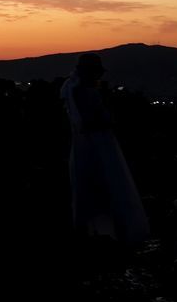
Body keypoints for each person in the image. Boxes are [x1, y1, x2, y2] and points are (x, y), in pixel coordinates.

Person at [60, 52, 149, 244]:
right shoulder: (86, 92)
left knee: (88, 181)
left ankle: (95, 229)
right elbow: (93, 121)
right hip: (99, 143)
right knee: (108, 179)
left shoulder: (72, 89)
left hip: (83, 144)